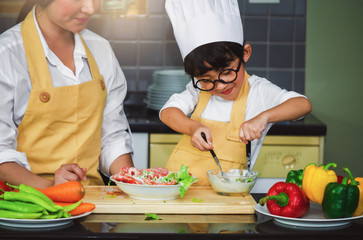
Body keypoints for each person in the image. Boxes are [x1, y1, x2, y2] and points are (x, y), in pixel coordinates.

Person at [161, 0, 312, 185]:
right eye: (206, 79)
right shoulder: (199, 90)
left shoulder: (258, 91)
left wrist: (263, 117)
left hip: (228, 198)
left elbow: (303, 104)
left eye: (226, 72)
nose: (219, 86)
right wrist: (192, 127)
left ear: (245, 53)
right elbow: (167, 112)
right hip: (180, 194)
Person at [0, 0, 134, 188]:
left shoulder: (100, 49)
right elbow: (1, 152)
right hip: (27, 205)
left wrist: (135, 181)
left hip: (92, 201)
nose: (90, 8)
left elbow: (112, 136)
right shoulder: (6, 54)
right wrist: (52, 188)